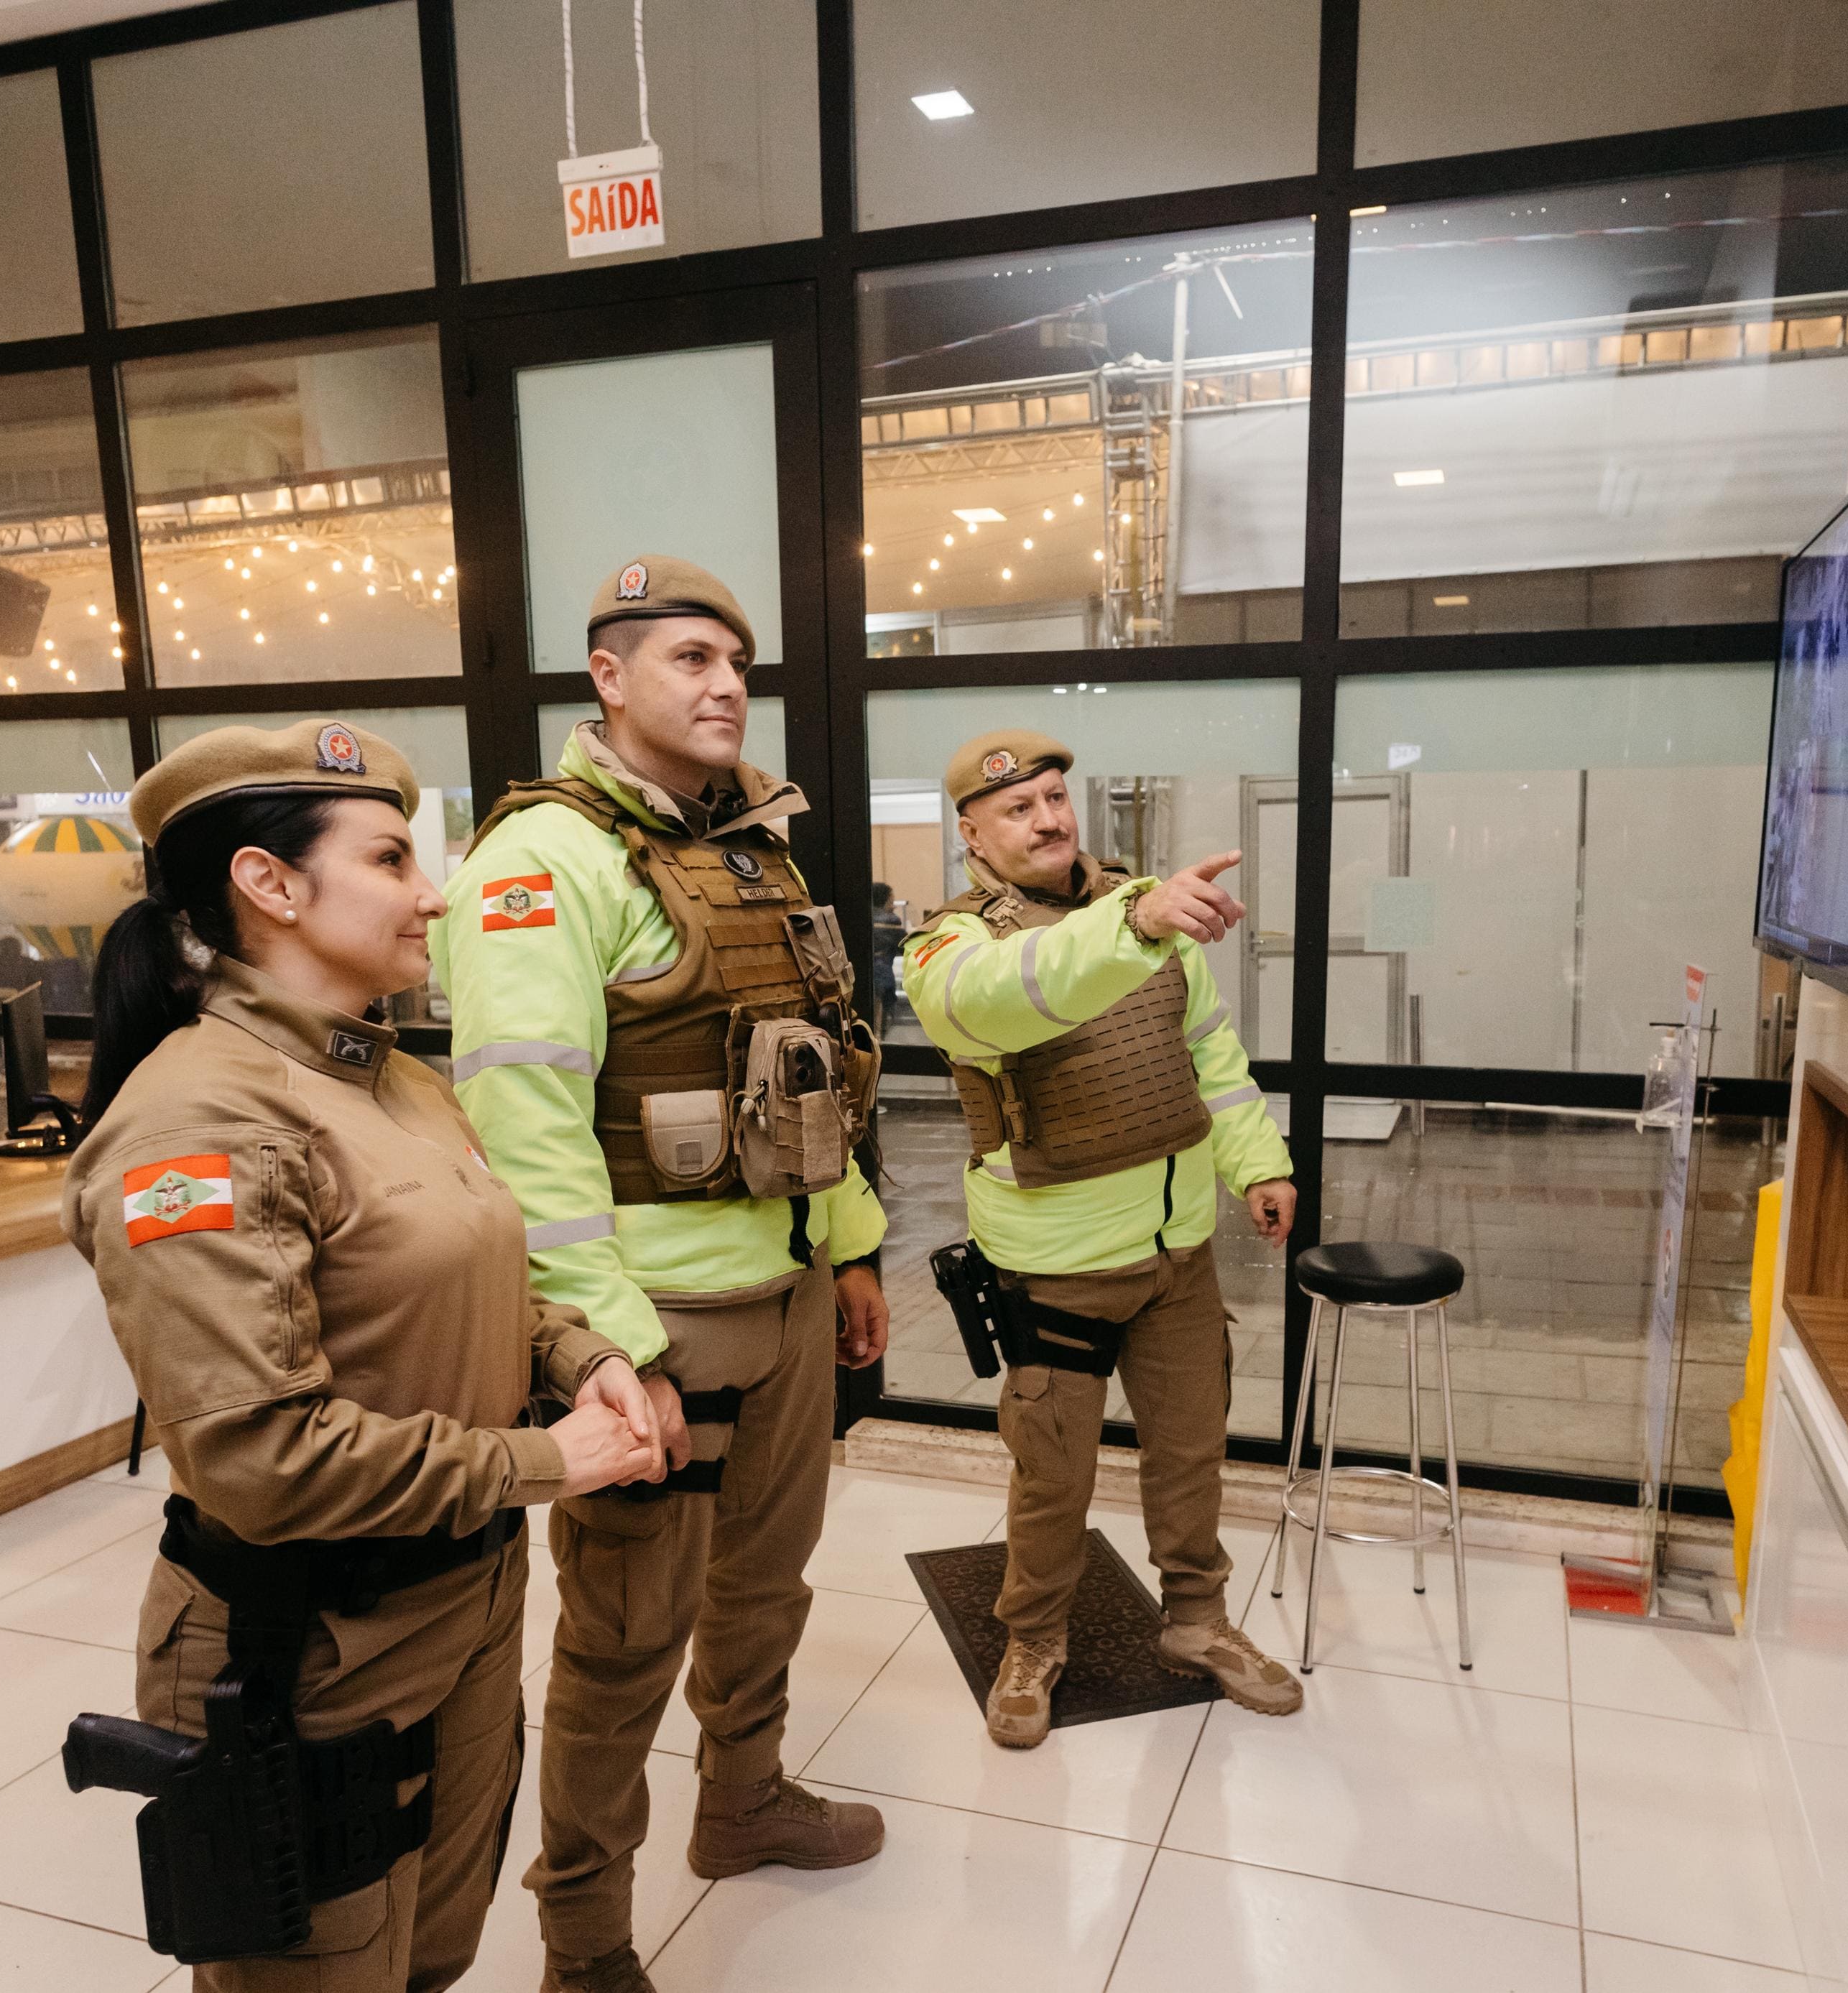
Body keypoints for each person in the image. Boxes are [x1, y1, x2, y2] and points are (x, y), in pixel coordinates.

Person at [65, 717, 667, 1991]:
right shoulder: (199, 1120)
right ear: (268, 884)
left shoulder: (396, 1080)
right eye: (392, 860)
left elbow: (468, 1283)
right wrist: (543, 1459)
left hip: (462, 1601)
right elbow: (262, 1460)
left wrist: (575, 1358)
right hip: (308, 1647)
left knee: (429, 1952)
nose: (433, 894)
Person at [434, 556, 892, 1993]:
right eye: (688, 657)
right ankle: (586, 1940)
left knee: (769, 1587)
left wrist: (855, 1246)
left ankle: (742, 1801)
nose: (722, 685)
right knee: (626, 1644)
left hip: (792, 1290)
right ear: (609, 675)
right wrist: (609, 1344)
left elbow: (812, 1073)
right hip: (663, 1331)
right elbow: (523, 1123)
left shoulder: (755, 850)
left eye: (737, 665)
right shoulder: (540, 860)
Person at [900, 728, 1305, 1748]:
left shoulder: (1136, 910)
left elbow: (1207, 1049)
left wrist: (1257, 1161)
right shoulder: (949, 946)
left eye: (1054, 798)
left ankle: (1198, 1621)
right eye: (1019, 807)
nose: (1048, 818)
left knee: (1190, 1455)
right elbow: (1010, 995)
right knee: (1054, 1476)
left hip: (1175, 1250)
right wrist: (1136, 918)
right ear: (972, 835)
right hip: (1056, 1264)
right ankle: (1032, 1639)